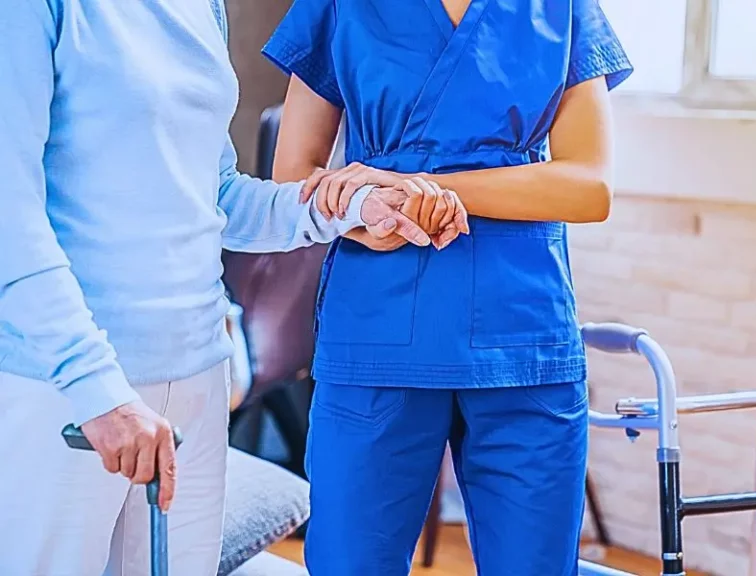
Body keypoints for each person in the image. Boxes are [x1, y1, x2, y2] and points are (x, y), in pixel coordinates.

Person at [0, 0, 468, 574]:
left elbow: (216, 194)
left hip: (196, 373)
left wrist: (349, 208)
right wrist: (95, 389)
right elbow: (9, 219)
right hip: (70, 389)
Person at [262, 0, 633, 574]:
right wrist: (366, 210)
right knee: (349, 562)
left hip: (521, 337)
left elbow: (589, 187)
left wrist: (424, 185)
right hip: (376, 332)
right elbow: (293, 179)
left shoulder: (560, 8)